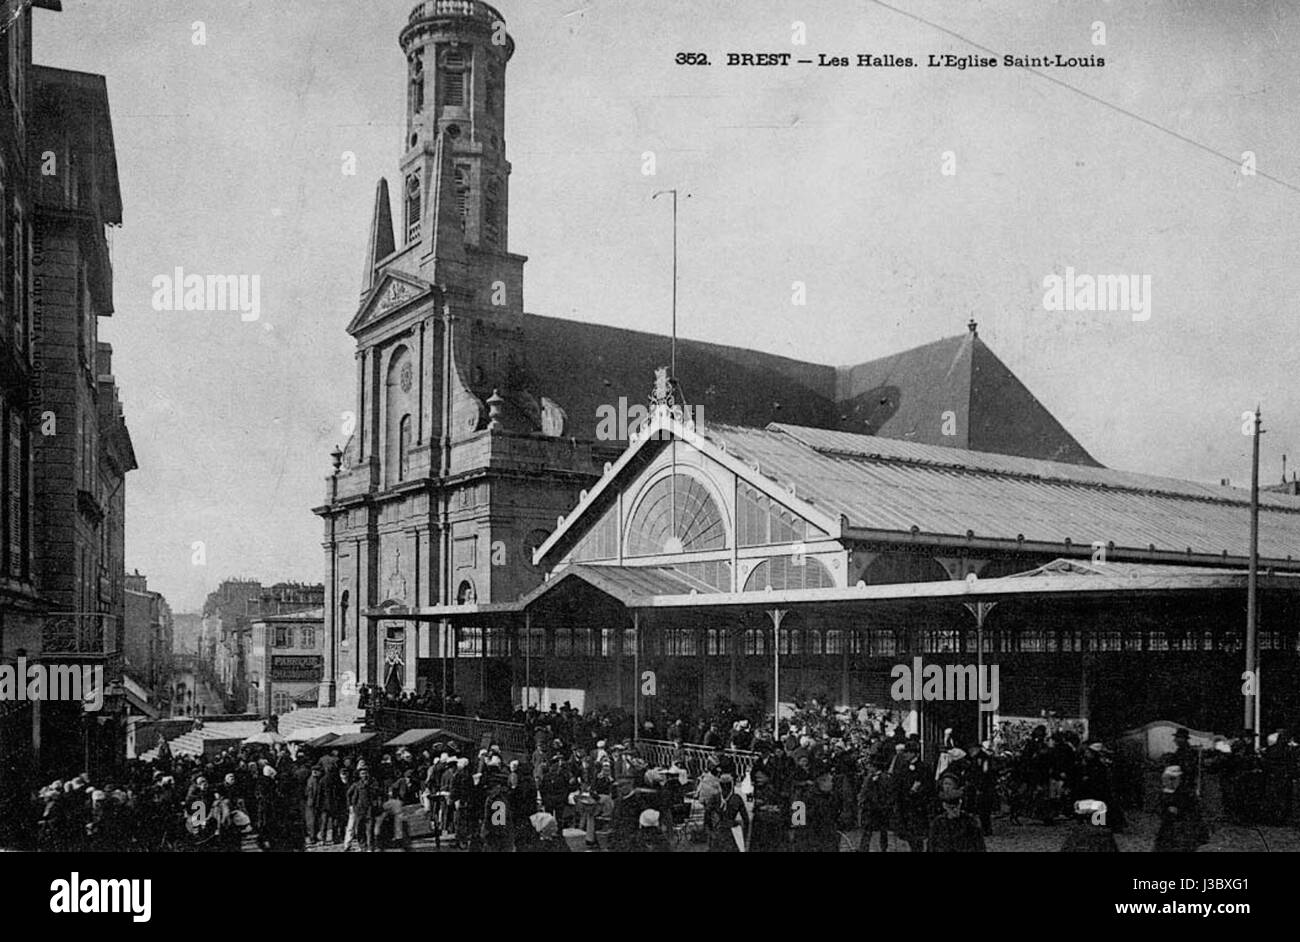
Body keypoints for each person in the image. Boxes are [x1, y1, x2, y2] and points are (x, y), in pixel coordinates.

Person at [1153, 765, 1209, 852]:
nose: (1171, 782)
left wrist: (1180, 810)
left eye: (1174, 779)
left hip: (1186, 827)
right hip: (1169, 827)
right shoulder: (1163, 793)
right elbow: (1159, 808)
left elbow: (1195, 810)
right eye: (1169, 779)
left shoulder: (1187, 792)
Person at [928, 777, 986, 852]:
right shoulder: (938, 824)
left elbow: (980, 847)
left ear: (960, 804)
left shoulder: (970, 822)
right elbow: (931, 847)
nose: (954, 810)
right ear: (944, 806)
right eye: (951, 808)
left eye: (956, 807)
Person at [857, 755, 893, 853]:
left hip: (880, 807)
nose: (868, 768)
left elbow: (887, 792)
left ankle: (883, 847)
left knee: (882, 830)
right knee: (868, 830)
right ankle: (863, 848)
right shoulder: (869, 777)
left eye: (870, 766)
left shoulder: (884, 778)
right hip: (871, 807)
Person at [708, 774, 749, 852]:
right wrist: (744, 835)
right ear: (731, 785)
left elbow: (707, 815)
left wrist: (711, 831)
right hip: (733, 831)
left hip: (719, 830)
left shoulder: (715, 798)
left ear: (720, 785)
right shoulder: (737, 798)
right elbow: (746, 819)